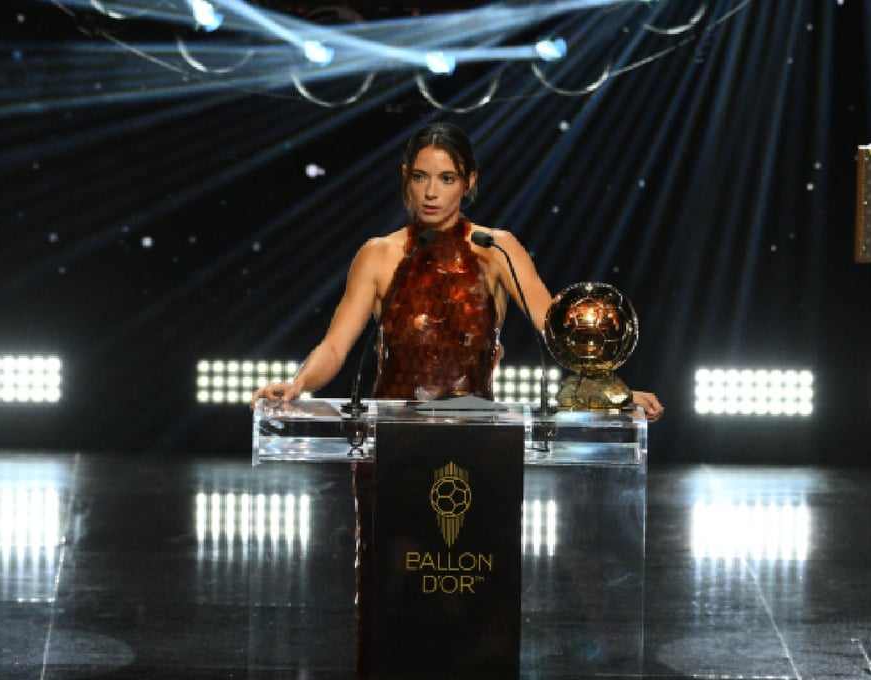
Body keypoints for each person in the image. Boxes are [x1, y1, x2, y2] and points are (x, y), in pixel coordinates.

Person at [250, 121, 663, 677]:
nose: (431, 191)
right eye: (420, 177)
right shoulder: (376, 256)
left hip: (475, 455)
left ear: (469, 181)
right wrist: (297, 384)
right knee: (393, 598)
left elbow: (554, 329)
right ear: (404, 179)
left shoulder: (495, 251)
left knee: (472, 599)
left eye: (445, 178)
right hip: (391, 452)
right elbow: (335, 345)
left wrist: (609, 388)